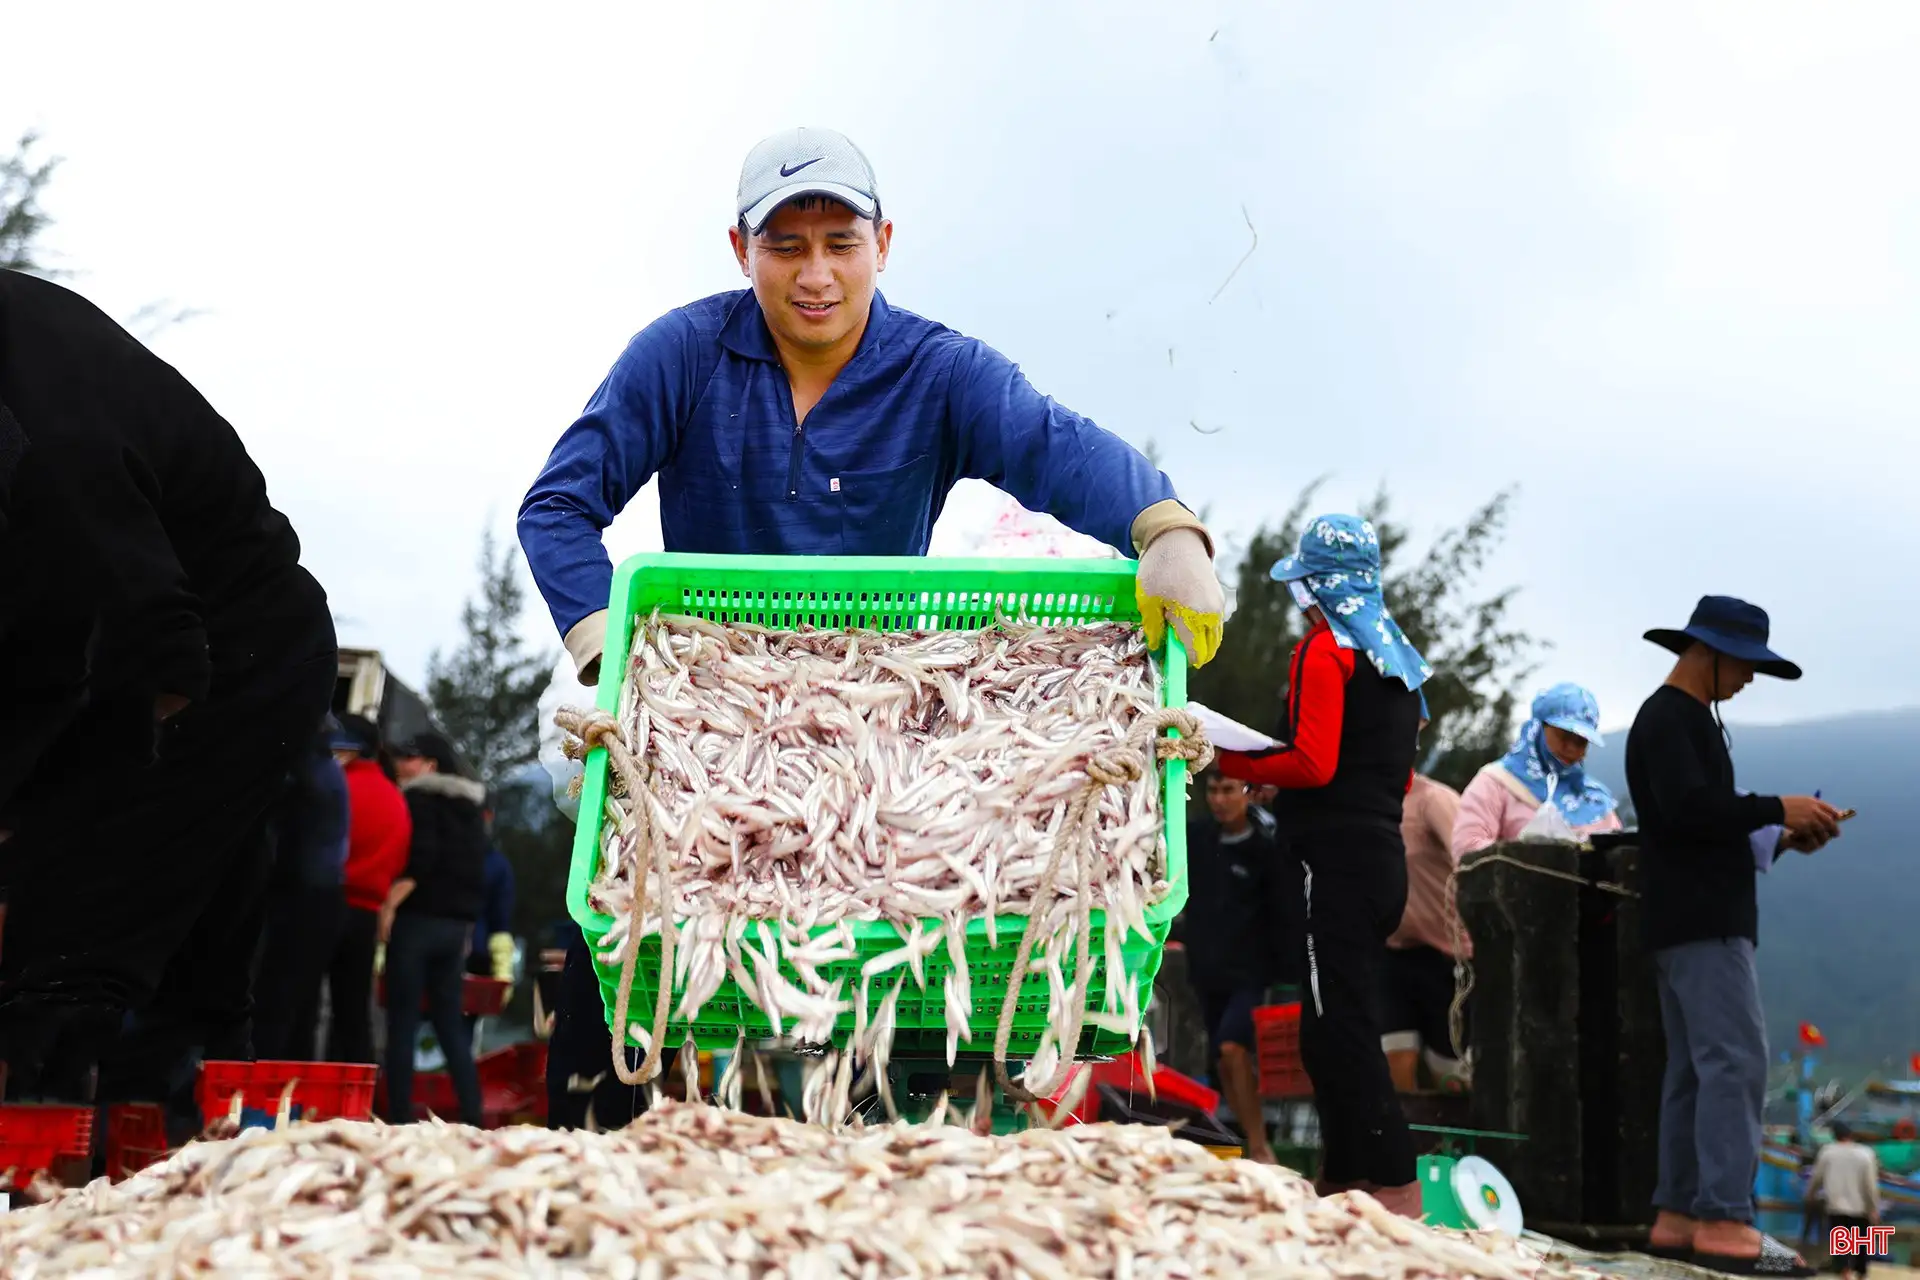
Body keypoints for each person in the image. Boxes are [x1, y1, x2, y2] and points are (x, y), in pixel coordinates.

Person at [517, 126, 1226, 1126]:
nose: (815, 274)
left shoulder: (936, 369)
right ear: (740, 249)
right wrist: (609, 652)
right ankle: (586, 1143)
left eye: (839, 243)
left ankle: (877, 1154)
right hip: (702, 714)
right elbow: (558, 504)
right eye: (786, 245)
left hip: (875, 721)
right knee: (630, 900)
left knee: (882, 937)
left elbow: (1052, 442)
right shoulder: (682, 354)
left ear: (883, 243)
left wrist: (1164, 523)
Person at [0, 269, 337, 1102]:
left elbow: (159, 654)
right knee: (172, 942)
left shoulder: (51, 436)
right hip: (132, 635)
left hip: (231, 652)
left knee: (77, 943)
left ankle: (67, 1146)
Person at [1213, 514, 1431, 1218]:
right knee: (1325, 1019)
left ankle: (1396, 1186)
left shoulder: (1324, 651)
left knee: (1340, 1023)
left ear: (1313, 587)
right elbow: (1385, 779)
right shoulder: (1399, 661)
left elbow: (1313, 760)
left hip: (1331, 864)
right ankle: (1344, 1177)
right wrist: (1284, 783)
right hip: (1381, 858)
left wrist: (1229, 759)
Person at [1628, 595, 1842, 1275]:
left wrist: (1779, 837)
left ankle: (1679, 1215)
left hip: (1679, 919)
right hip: (1706, 925)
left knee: (1695, 1069)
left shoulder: (1677, 722)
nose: (1748, 678)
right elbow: (1691, 812)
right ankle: (1725, 1218)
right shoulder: (1672, 720)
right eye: (1745, 664)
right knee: (1737, 1062)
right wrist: (1779, 806)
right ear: (1706, 652)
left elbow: (1695, 826)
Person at [1171, 769, 1287, 1164]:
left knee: (1233, 1048)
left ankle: (1258, 1144)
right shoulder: (1195, 839)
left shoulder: (1268, 849)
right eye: (1213, 790)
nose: (1219, 799)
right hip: (1205, 969)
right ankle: (1244, 1141)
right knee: (1221, 1059)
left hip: (1250, 973)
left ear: (1248, 793)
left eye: (1228, 790)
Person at [381, 732, 486, 1127]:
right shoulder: (470, 807)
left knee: (403, 1020)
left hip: (418, 922)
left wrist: (390, 904)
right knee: (447, 1020)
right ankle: (472, 1112)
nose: (399, 764)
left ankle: (398, 1117)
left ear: (430, 766)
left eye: (409, 757)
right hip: (455, 928)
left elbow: (421, 857)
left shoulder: (419, 800)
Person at [252, 716, 352, 1061]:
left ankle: (265, 1080)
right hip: (323, 896)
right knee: (300, 1002)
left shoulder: (305, 774)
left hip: (301, 895)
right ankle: (289, 1087)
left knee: (278, 996)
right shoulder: (328, 771)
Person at [324, 713, 413, 1064]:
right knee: (352, 1012)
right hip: (367, 915)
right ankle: (353, 1097)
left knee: (294, 1003)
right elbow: (399, 858)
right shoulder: (395, 797)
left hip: (326, 904)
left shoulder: (338, 785)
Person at [1453, 683, 1624, 855]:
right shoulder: (1496, 783)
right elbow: (1466, 848)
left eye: (1581, 741)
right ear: (1539, 728)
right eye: (1565, 735)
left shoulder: (1596, 801)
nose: (1571, 748)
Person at [1383, 765, 1466, 1093]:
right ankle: (1409, 1143)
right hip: (1391, 952)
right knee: (1394, 1061)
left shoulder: (1434, 800)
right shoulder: (1370, 802)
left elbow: (1471, 861)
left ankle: (1455, 1142)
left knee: (1449, 1074)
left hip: (1444, 954)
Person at [1808, 1123, 1880, 1278]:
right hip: (1860, 1207)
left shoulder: (1827, 1152)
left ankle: (1844, 1271)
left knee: (1840, 1240)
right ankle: (1860, 1272)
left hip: (1836, 1206)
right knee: (1860, 1241)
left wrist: (1810, 1195)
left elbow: (1816, 1178)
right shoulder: (1865, 1153)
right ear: (1851, 1135)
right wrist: (1873, 1207)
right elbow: (1870, 1185)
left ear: (1834, 1136)